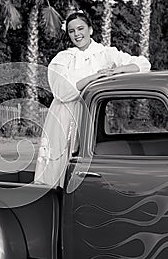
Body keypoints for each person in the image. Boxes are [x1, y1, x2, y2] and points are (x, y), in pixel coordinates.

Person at [34, 11, 151, 187]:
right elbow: (62, 91)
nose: (77, 34)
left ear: (90, 29)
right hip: (64, 115)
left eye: (80, 28)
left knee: (86, 163)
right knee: (58, 163)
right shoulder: (63, 58)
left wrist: (118, 70)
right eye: (72, 31)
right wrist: (93, 77)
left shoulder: (106, 54)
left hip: (90, 115)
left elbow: (143, 64)